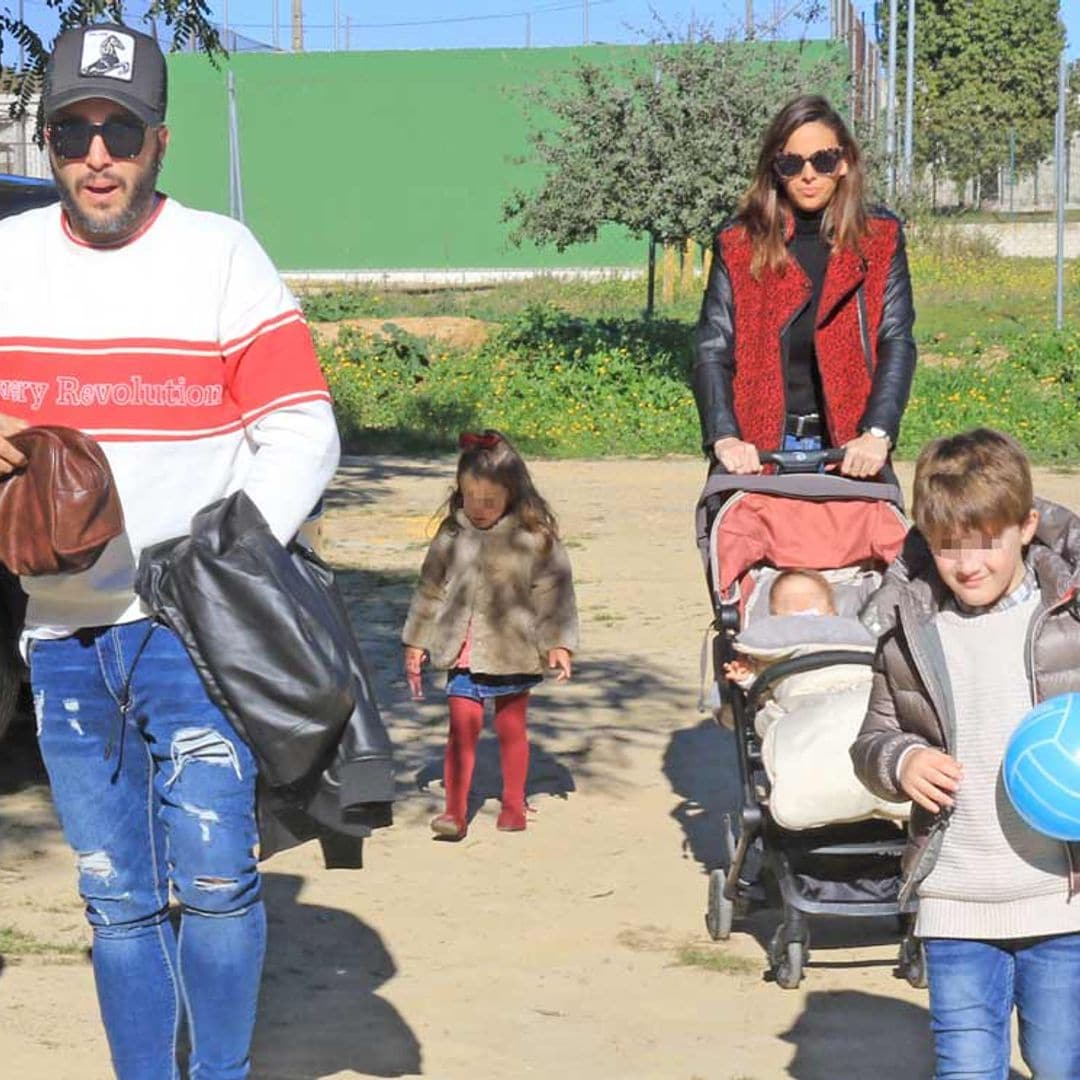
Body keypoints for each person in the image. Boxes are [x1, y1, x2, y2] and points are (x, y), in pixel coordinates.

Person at [0, 23, 340, 1079]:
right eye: (73, 131)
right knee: (115, 896)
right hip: (60, 634)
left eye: (121, 131)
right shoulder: (6, 261)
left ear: (160, 142)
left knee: (218, 880)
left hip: (191, 632)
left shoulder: (219, 256)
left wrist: (222, 566)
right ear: (48, 139)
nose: (96, 154)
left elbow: (303, 428)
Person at [851, 428, 1080, 1079]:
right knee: (968, 1065)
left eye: (988, 541)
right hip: (954, 896)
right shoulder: (907, 627)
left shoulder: (1069, 616)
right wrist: (900, 760)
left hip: (1062, 899)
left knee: (1060, 1061)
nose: (968, 563)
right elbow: (870, 738)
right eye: (949, 545)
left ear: (1027, 527)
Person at [693, 94, 916, 480]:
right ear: (775, 168)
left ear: (844, 162)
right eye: (792, 163)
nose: (808, 175)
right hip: (760, 451)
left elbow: (895, 340)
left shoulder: (880, 238)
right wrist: (725, 436)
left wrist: (877, 432)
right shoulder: (739, 243)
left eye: (823, 160)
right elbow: (712, 346)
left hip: (849, 449)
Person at [402, 430, 578, 840]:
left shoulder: (533, 537)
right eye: (469, 498)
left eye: (490, 501)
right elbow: (430, 587)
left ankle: (514, 802)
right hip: (460, 650)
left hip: (511, 649)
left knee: (510, 728)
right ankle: (454, 813)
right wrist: (416, 640)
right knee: (461, 728)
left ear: (512, 494)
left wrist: (559, 643)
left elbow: (554, 591)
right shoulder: (451, 533)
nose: (478, 509)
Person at [723, 568, 837, 684]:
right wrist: (746, 677)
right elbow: (761, 685)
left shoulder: (845, 638)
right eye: (788, 605)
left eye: (812, 602)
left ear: (832, 613)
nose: (803, 615)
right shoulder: (772, 652)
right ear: (775, 618)